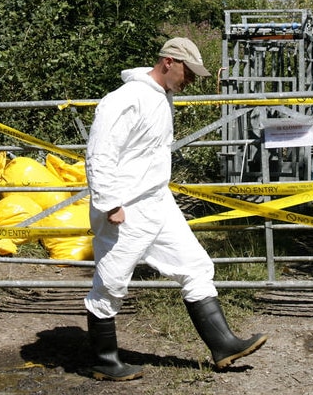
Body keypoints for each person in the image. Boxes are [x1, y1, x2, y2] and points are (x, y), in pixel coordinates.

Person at [84, 37, 268, 381]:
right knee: (110, 284)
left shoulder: (163, 97)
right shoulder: (124, 100)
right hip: (125, 208)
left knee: (196, 265)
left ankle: (224, 344)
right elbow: (100, 153)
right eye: (188, 72)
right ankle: (105, 361)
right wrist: (110, 204)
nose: (192, 81)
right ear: (168, 61)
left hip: (158, 202)